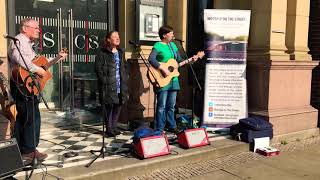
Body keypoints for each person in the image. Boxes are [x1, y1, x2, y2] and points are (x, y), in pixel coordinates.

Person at [8, 18, 67, 162]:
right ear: (25, 28)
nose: (38, 30)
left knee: (29, 117)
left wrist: (57, 58)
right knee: (29, 118)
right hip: (22, 84)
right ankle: (28, 150)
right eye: (36, 27)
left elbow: (41, 63)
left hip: (29, 85)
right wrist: (38, 70)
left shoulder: (28, 44)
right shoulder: (18, 40)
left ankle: (23, 149)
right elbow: (20, 60)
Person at [148, 25, 198, 133]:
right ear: (164, 35)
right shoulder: (158, 45)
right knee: (161, 106)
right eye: (171, 33)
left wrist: (191, 60)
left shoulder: (173, 46)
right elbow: (151, 59)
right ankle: (160, 128)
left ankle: (172, 125)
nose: (173, 35)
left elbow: (179, 62)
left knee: (171, 105)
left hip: (174, 79)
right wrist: (162, 68)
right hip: (162, 79)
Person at [95, 31, 129, 137]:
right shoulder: (102, 52)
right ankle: (109, 129)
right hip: (108, 84)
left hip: (120, 83)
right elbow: (98, 68)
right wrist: (105, 81)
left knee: (118, 105)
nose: (118, 38)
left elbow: (124, 67)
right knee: (109, 106)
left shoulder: (120, 52)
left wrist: (125, 77)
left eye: (118, 36)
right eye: (114, 36)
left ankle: (114, 127)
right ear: (108, 40)